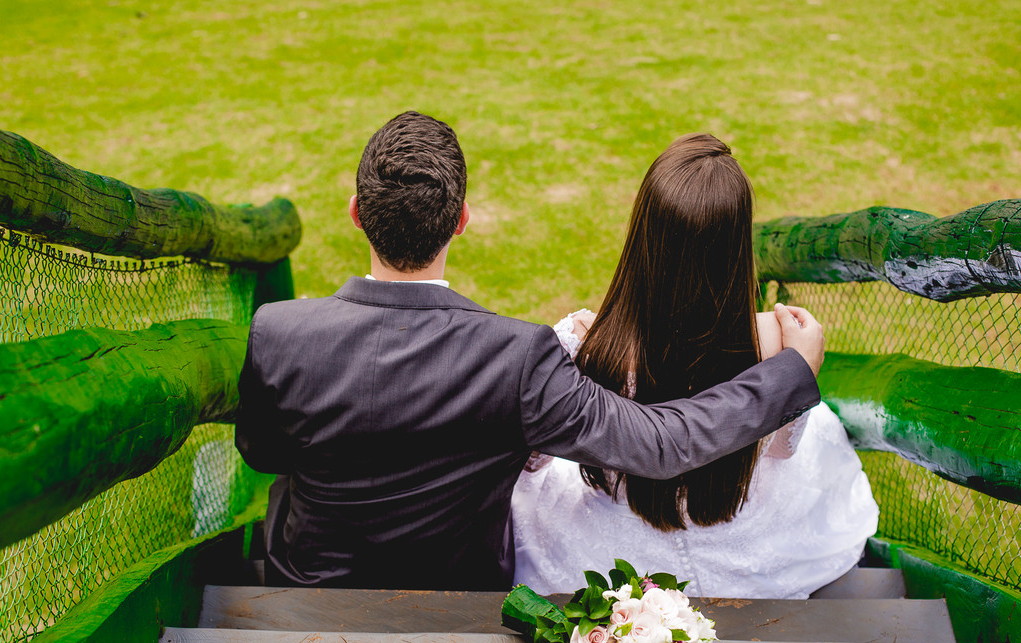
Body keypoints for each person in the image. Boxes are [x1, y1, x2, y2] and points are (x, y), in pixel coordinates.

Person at [234, 112, 824, 591]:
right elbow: (663, 441)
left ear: (357, 215)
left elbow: (262, 452)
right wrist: (790, 371)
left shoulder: (278, 332)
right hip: (457, 596)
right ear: (461, 220)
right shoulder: (516, 357)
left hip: (307, 588)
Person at [512, 134, 878, 598]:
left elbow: (532, 458)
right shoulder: (778, 343)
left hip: (611, 543)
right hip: (730, 517)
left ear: (644, 233)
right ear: (735, 243)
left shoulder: (588, 343)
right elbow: (784, 450)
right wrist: (797, 365)